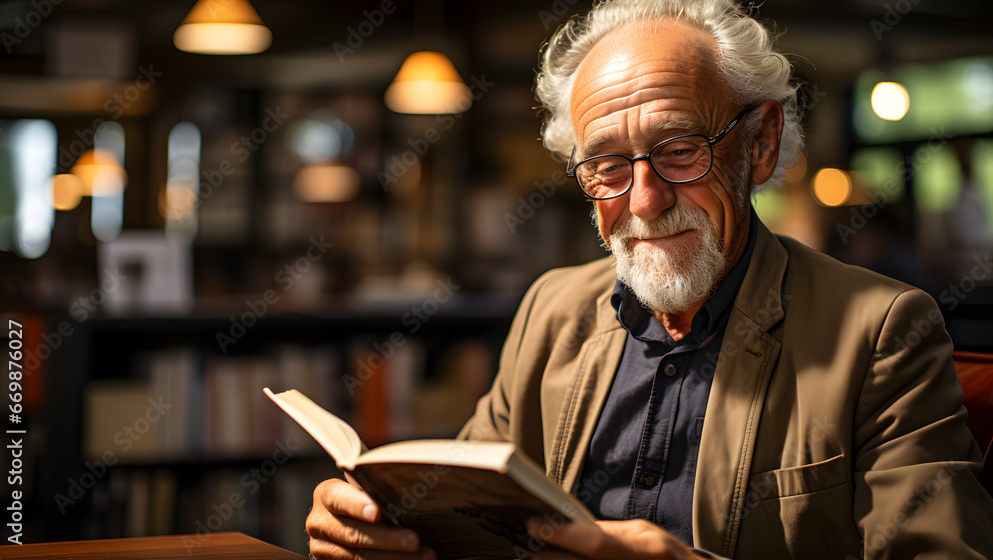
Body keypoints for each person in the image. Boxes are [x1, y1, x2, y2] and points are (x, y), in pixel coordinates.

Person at [306, 0, 993, 558]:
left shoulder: (882, 330)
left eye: (679, 150)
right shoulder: (552, 309)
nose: (643, 200)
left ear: (759, 144)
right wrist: (378, 528)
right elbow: (459, 510)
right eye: (606, 165)